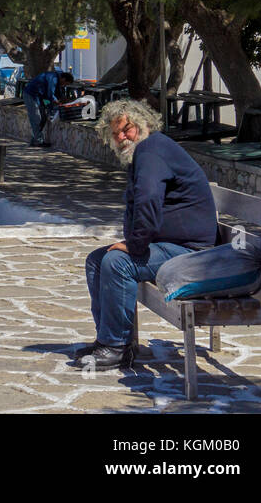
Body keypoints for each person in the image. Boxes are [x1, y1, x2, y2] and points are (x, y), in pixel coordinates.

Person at [79, 99, 218, 370]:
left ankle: (117, 347)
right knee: (97, 259)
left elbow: (148, 200)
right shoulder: (146, 151)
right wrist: (133, 243)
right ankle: (108, 340)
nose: (121, 137)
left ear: (143, 123)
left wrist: (135, 244)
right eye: (115, 133)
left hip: (191, 253)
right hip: (172, 246)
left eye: (126, 129)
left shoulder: (151, 150)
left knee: (117, 263)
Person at [22, 68, 73, 146]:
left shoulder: (56, 78)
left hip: (38, 97)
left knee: (43, 117)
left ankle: (35, 139)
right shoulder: (53, 79)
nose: (64, 85)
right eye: (65, 83)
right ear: (63, 78)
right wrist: (56, 102)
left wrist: (64, 100)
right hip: (31, 95)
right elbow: (50, 94)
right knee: (36, 117)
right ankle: (38, 141)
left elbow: (58, 93)